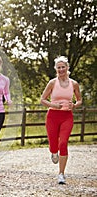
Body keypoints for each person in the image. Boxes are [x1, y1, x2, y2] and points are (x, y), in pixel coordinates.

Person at [40, 56, 82, 184]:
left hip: (67, 116)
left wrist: (74, 105)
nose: (61, 69)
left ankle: (61, 174)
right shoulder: (52, 83)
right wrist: (53, 105)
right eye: (59, 67)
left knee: (63, 143)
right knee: (54, 144)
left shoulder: (74, 84)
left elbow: (79, 100)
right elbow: (42, 99)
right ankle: (53, 152)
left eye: (63, 67)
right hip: (52, 116)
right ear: (56, 69)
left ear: (67, 68)